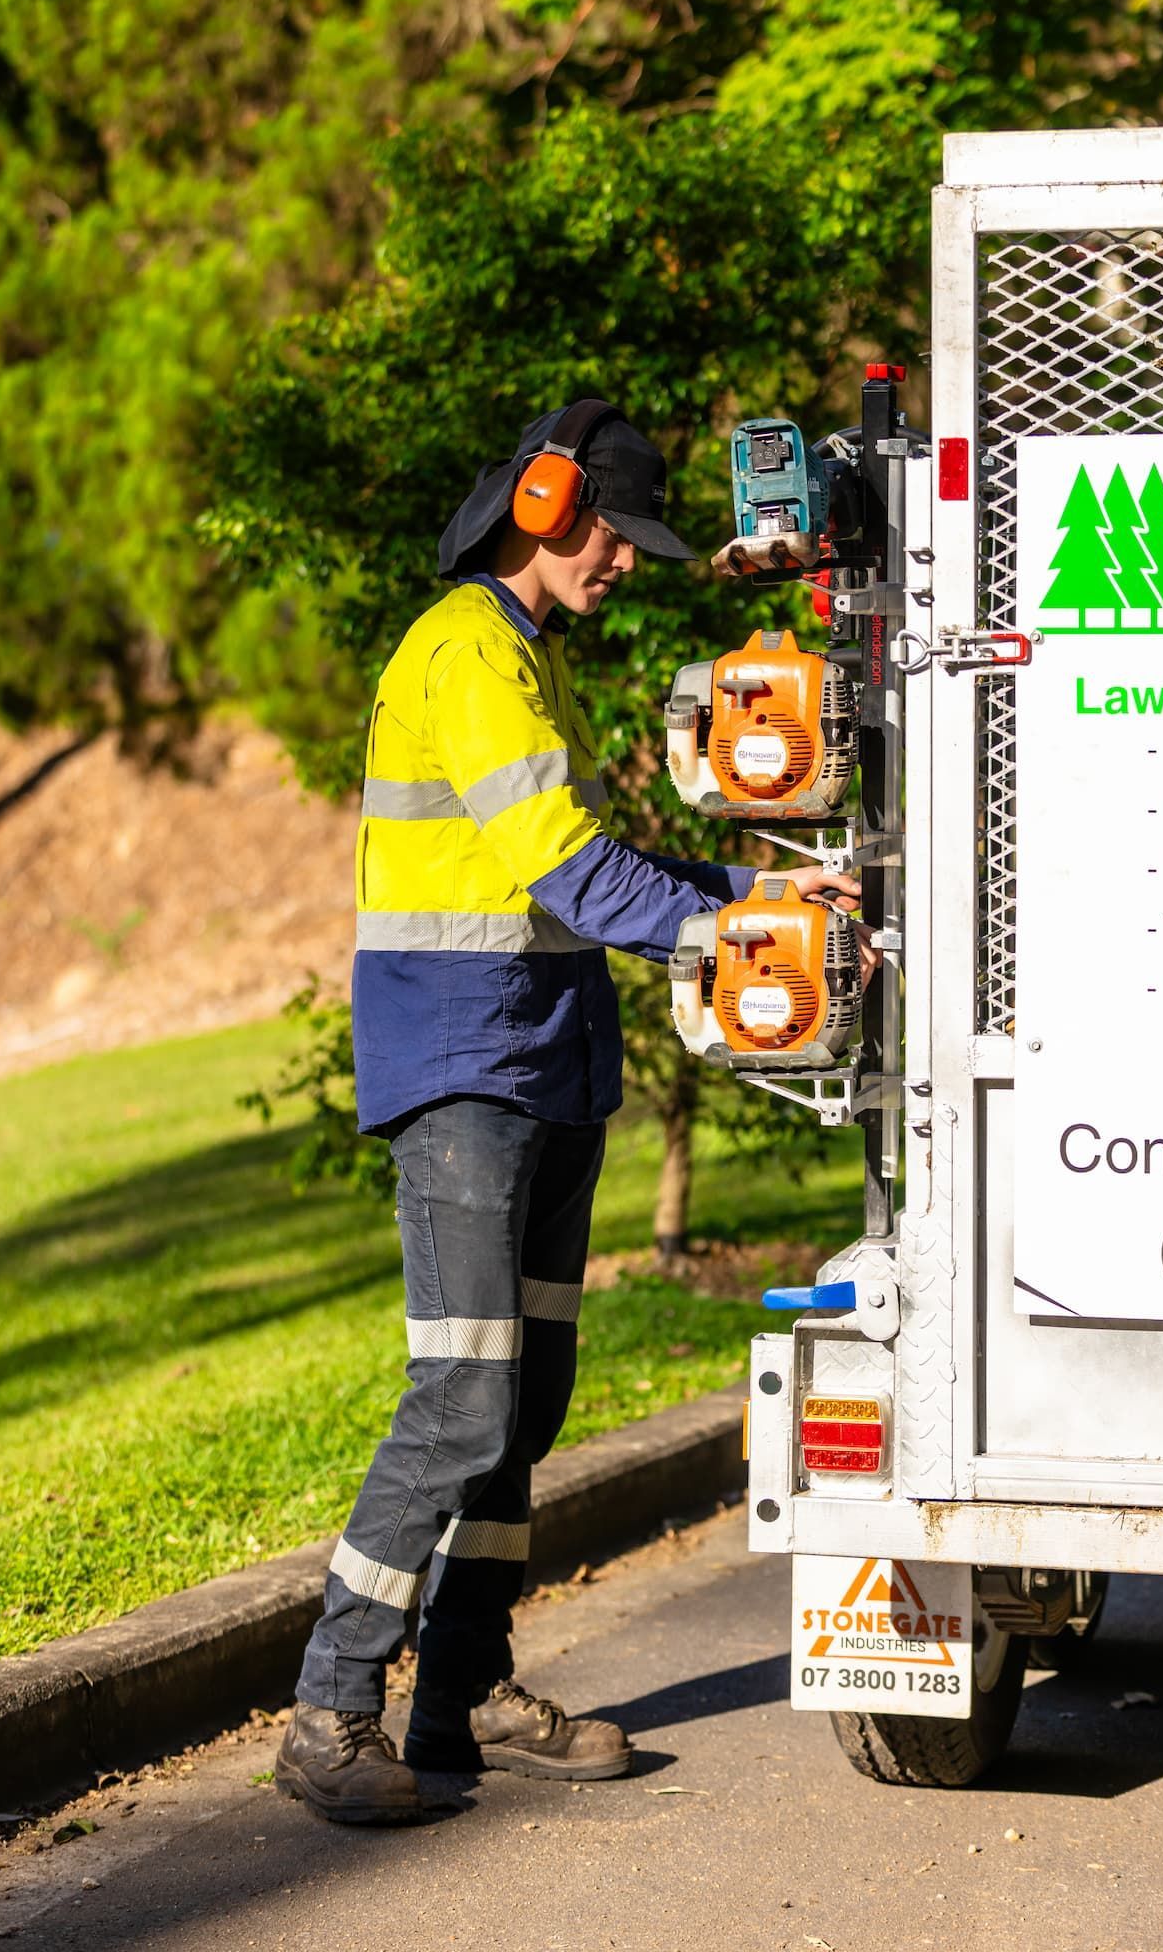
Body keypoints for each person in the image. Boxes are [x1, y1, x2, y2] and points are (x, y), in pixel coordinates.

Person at [274, 399, 867, 1825]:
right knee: (464, 1390)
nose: (623, 563)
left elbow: (607, 860)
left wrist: (767, 893)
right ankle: (330, 1708)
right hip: (467, 1073)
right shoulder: (465, 654)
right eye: (614, 534)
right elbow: (577, 885)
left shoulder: (526, 661)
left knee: (522, 1400)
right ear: (545, 507)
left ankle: (462, 1694)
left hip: (540, 1064)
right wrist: (740, 943)